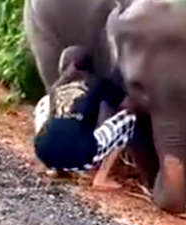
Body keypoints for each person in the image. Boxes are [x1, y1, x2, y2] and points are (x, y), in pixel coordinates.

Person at [33, 46, 135, 189]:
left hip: (44, 154)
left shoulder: (56, 87)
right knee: (129, 119)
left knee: (44, 103)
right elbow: (127, 105)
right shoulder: (98, 82)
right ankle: (101, 179)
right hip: (82, 159)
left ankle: (56, 169)